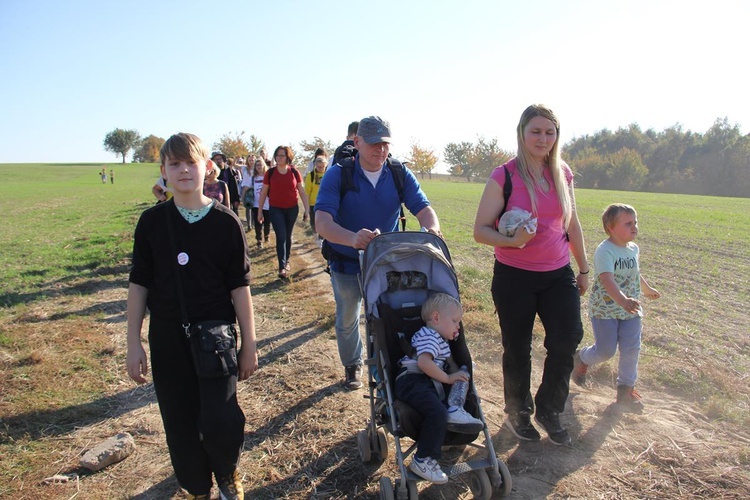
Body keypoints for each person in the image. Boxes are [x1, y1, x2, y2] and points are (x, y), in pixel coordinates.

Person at [126, 132, 257, 500]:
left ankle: (228, 472)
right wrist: (133, 341)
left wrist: (250, 342)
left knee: (221, 420)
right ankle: (198, 488)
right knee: (180, 424)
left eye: (191, 163)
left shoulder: (227, 223)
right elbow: (139, 284)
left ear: (208, 168)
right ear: (163, 171)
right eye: (175, 164)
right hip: (168, 339)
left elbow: (239, 288)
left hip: (216, 340)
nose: (184, 170)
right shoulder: (151, 224)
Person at [473, 104, 589, 446]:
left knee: (567, 339)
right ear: (522, 133)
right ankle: (517, 412)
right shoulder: (504, 175)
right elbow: (480, 231)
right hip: (514, 276)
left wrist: (583, 268)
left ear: (557, 136)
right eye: (535, 131)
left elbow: (572, 223)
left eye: (549, 132)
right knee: (518, 346)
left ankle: (549, 410)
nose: (543, 138)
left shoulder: (563, 173)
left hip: (557, 274)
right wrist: (512, 240)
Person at [315, 115, 441, 389]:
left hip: (385, 263)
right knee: (348, 317)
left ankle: (382, 376)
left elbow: (422, 207)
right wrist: (353, 239)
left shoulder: (398, 173)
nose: (380, 150)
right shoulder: (339, 174)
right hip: (346, 262)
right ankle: (352, 364)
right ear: (357, 142)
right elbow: (322, 222)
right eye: (374, 144)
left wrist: (432, 229)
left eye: (385, 144)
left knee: (383, 317)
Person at [572, 203, 661, 412]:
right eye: (628, 223)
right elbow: (607, 280)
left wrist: (646, 290)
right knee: (605, 351)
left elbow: (635, 273)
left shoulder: (633, 249)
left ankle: (626, 391)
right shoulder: (605, 251)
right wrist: (623, 301)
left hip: (631, 310)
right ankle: (580, 358)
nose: (634, 227)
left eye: (635, 222)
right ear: (611, 228)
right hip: (606, 310)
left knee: (631, 349)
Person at [395, 293, 483, 483]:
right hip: (412, 381)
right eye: (455, 321)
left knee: (441, 406)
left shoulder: (441, 340)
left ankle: (454, 412)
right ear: (436, 318)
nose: (458, 327)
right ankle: (423, 459)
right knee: (437, 412)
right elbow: (424, 362)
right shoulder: (429, 336)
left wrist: (461, 374)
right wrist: (448, 378)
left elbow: (448, 364)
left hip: (425, 383)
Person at [256, 146, 310, 279]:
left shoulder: (294, 172)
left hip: (292, 208)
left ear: (287, 157)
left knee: (288, 236)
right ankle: (282, 267)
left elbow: (301, 191)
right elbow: (263, 193)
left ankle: (287, 261)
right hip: (276, 209)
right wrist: (260, 211)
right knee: (281, 236)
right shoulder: (270, 173)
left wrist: (307, 209)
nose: (279, 158)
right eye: (277, 155)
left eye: (282, 156)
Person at [242, 158, 271, 247]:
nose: (259, 167)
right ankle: (259, 240)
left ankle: (266, 235)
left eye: (260, 164)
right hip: (256, 203)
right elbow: (246, 188)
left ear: (264, 166)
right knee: (257, 222)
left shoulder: (268, 176)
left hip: (267, 203)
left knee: (267, 222)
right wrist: (243, 197)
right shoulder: (253, 178)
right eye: (257, 165)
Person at [305, 155, 327, 247]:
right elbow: (307, 191)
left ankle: (321, 239)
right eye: (319, 167)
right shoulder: (311, 175)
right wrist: (306, 205)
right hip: (313, 203)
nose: (321, 168)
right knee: (313, 222)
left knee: (323, 222)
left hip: (324, 203)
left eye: (322, 166)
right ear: (315, 165)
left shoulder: (328, 174)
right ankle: (315, 235)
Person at [212, 151, 241, 215]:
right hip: (213, 201)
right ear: (213, 161)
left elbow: (234, 185)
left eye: (220, 159)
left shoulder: (228, 170)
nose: (219, 161)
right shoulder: (210, 172)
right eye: (216, 159)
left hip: (228, 200)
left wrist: (236, 199)